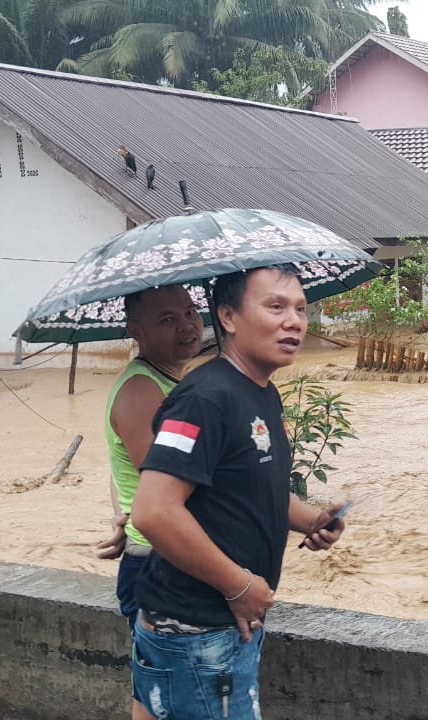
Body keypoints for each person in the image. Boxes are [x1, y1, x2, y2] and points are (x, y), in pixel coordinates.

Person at [130, 266, 349, 720]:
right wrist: (241, 586)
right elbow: (153, 511)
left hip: (222, 626)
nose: (295, 321)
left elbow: (250, 483)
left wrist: (309, 520)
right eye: (276, 307)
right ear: (228, 317)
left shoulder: (260, 391)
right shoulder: (204, 398)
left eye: (301, 309)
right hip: (197, 630)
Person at [95, 284, 204, 625]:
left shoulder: (170, 383)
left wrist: (122, 517)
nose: (187, 326)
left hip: (173, 554)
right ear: (136, 332)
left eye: (190, 312)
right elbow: (166, 482)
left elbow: (122, 470)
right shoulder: (142, 391)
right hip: (161, 562)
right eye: (168, 319)